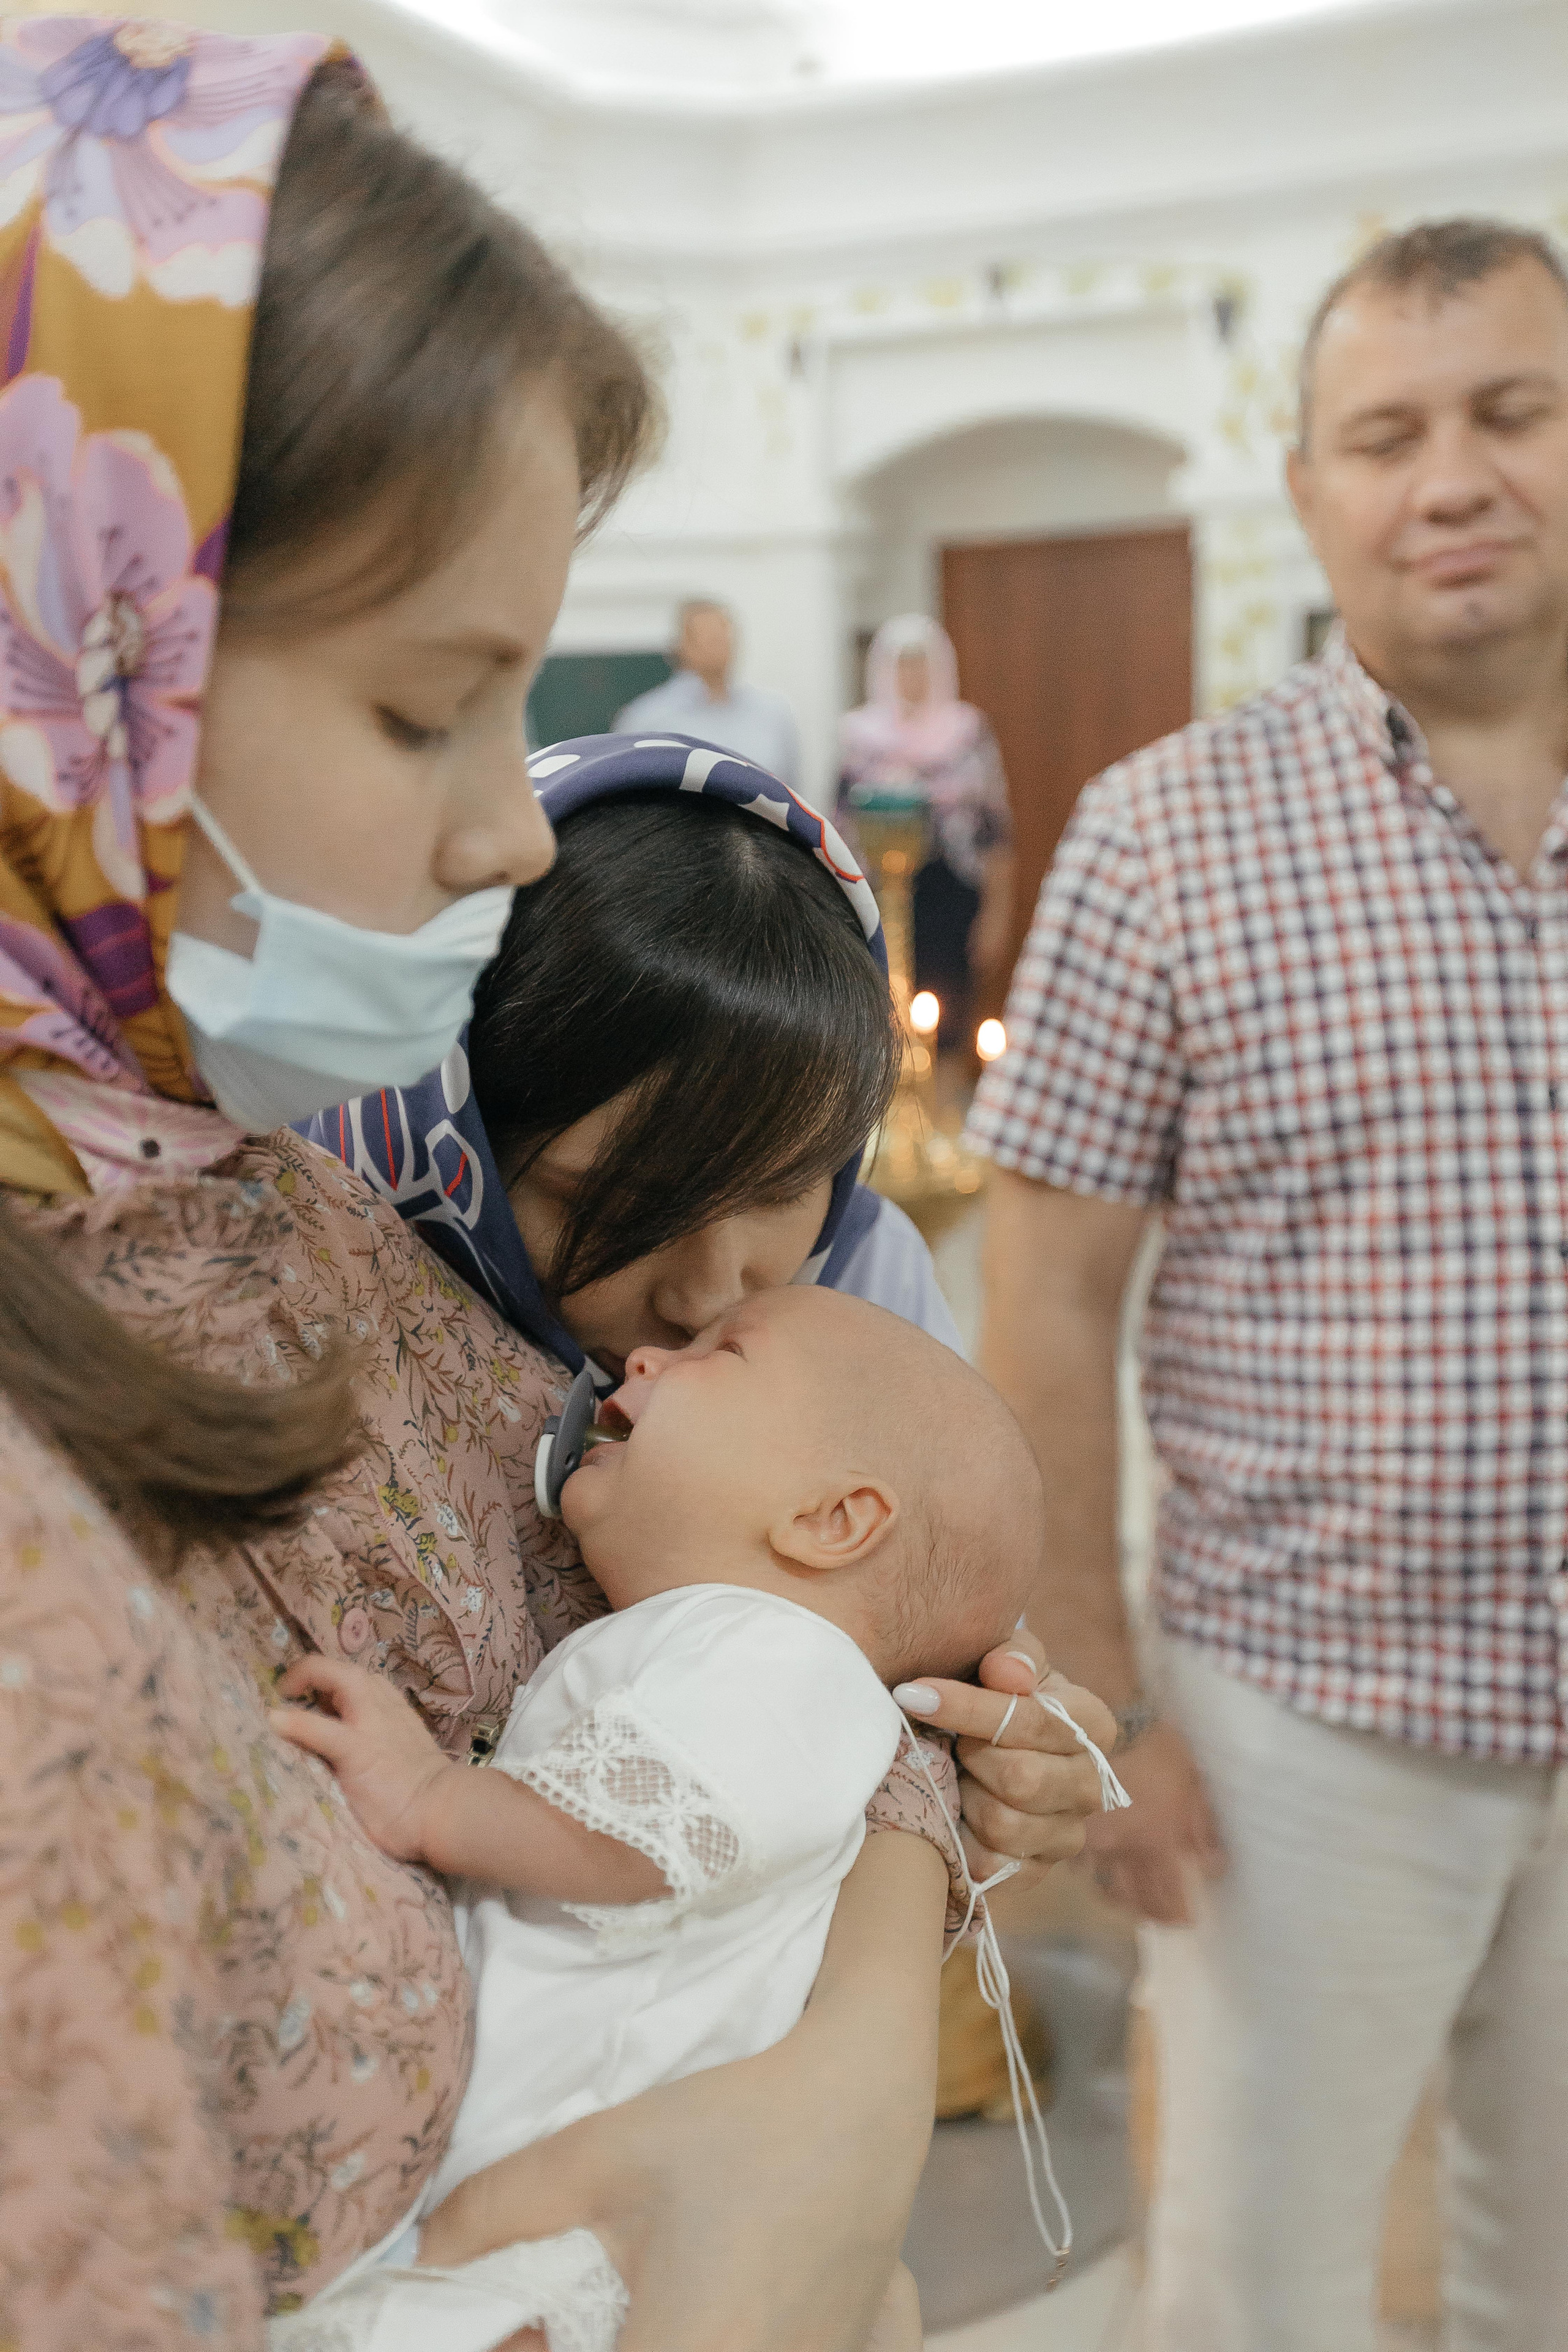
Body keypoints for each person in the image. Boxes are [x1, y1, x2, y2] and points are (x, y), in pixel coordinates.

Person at [0, 26, 1113, 2349]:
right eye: (428, 707)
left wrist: (876, 1884)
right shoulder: (355, 1214)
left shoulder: (267, 1218)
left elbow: (747, 1685)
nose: (515, 834)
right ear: (70, 661)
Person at [967, 217, 1568, 2352]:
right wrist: (1104, 1704)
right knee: (1259, 2294)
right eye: (1386, 434)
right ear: (1311, 491)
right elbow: (1041, 1301)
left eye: (1513, 412)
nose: (1454, 477)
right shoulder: (1165, 837)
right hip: (1306, 1720)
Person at [268, 1286, 1044, 2352]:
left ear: (832, 1522)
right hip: (558, 2203)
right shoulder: (733, 1648)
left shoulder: (779, 1657)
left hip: (573, 2214)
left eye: (720, 1356)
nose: (643, 1362)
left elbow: (653, 1833)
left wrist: (434, 1800)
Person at [303, 731, 963, 1381]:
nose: (708, 1299)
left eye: (783, 1188)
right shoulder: (299, 1288)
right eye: (617, 1208)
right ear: (451, 1136)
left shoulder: (871, 1290)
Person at [839, 615, 1014, 1057]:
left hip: (952, 890)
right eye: (902, 665)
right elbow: (839, 827)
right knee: (885, 1013)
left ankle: (943, 1119)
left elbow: (995, 829)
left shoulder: (967, 732)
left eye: (921, 665)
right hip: (879, 896)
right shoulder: (859, 737)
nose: (911, 677)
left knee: (950, 1015)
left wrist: (996, 914)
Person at [614, 600, 800, 789]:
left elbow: (794, 794)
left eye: (725, 636)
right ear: (684, 646)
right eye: (710, 639)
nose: (721, 646)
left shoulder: (773, 714)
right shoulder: (646, 721)